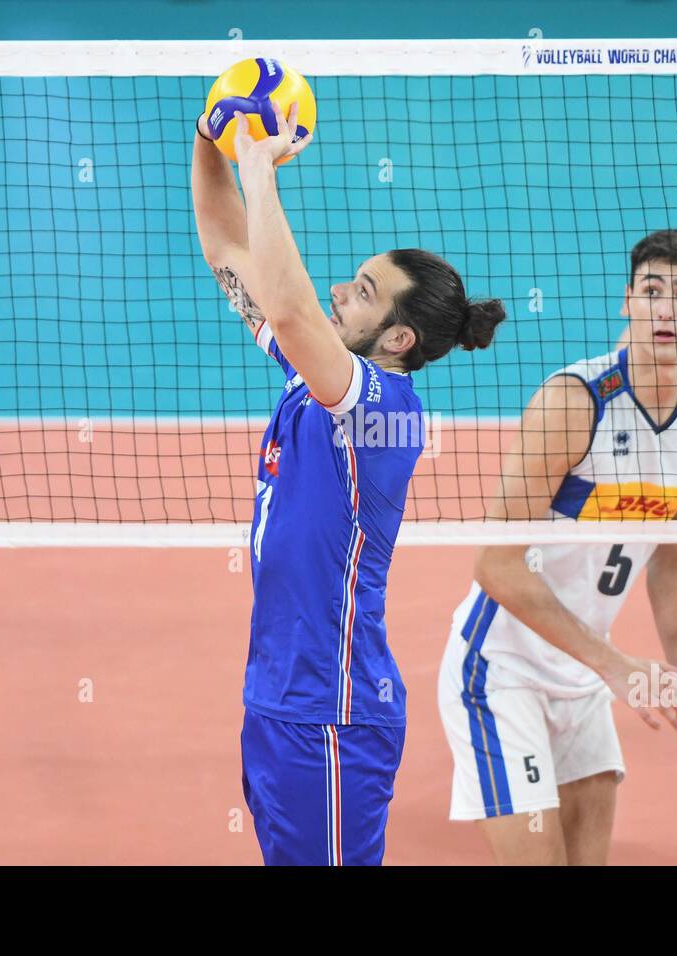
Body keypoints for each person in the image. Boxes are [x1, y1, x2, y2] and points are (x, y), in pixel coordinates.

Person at [192, 103, 505, 864]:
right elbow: (228, 250)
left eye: (363, 291)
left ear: (398, 339)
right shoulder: (316, 380)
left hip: (332, 716)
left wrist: (261, 169)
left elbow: (295, 312)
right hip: (277, 701)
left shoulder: (381, 409)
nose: (340, 289)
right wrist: (210, 142)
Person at [438, 229, 677, 865]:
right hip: (500, 673)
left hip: (584, 676)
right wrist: (617, 666)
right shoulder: (575, 403)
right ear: (628, 301)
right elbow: (493, 563)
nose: (665, 308)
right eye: (651, 291)